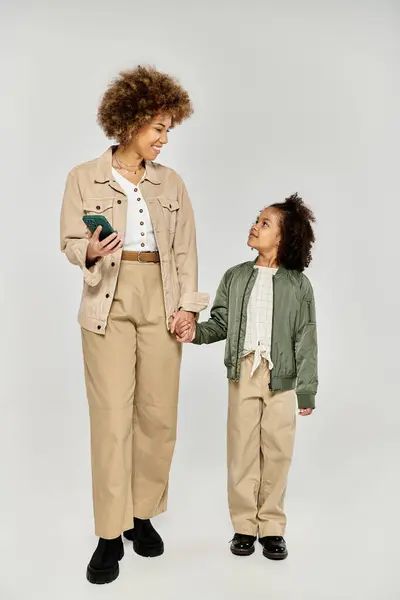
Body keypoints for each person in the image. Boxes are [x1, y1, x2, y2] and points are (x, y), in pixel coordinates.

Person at [60, 65, 208, 584]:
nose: (164, 138)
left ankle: (141, 516)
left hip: (162, 298)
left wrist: (188, 306)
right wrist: (89, 251)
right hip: (108, 301)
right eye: (157, 128)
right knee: (110, 419)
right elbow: (69, 242)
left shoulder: (173, 183)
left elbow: (186, 249)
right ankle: (108, 532)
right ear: (128, 123)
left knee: (158, 416)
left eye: (169, 128)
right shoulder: (84, 177)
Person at [175, 194, 318, 560]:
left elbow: (306, 337)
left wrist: (306, 391)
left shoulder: (299, 286)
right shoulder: (236, 277)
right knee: (241, 452)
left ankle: (271, 526)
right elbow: (221, 323)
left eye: (265, 223)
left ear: (283, 239)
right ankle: (243, 526)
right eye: (257, 219)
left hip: (282, 377)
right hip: (243, 372)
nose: (255, 225)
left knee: (278, 452)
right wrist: (196, 333)